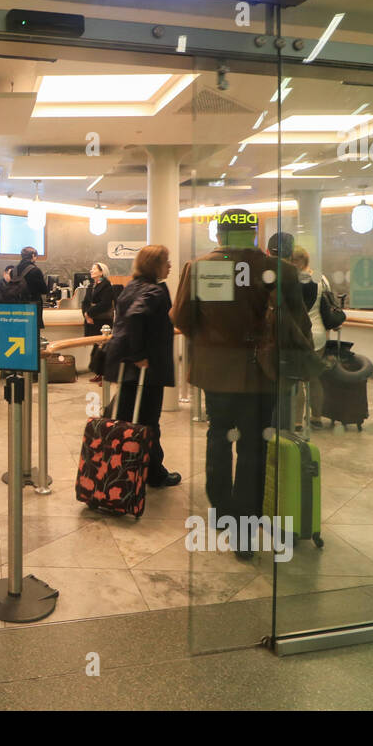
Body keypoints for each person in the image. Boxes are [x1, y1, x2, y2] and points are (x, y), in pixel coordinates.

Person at [170, 210, 277, 557]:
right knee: (253, 448)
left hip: (216, 370)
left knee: (218, 435)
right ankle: (247, 526)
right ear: (254, 233)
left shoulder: (198, 267)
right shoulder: (275, 269)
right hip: (262, 372)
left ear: (219, 234)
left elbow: (182, 317)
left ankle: (221, 511)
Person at [101, 244, 181, 488]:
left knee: (127, 418)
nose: (169, 266)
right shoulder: (154, 291)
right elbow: (136, 317)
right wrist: (139, 355)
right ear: (154, 265)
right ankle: (154, 473)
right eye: (166, 261)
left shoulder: (131, 287)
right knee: (148, 420)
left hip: (126, 367)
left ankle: (125, 468)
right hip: (145, 368)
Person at [265, 232, 315, 432]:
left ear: (268, 251)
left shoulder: (258, 275)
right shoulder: (304, 281)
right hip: (289, 353)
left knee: (268, 414)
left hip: (266, 354)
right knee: (284, 407)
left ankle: (273, 454)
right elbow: (303, 321)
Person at [291, 247, 328, 430]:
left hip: (301, 333)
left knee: (298, 379)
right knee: (314, 378)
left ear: (297, 262)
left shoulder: (296, 280)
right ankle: (316, 417)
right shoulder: (321, 278)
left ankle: (297, 421)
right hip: (319, 333)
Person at [81, 262, 115, 337]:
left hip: (101, 322)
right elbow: (85, 302)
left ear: (101, 272)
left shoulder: (107, 286)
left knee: (100, 345)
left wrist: (89, 313)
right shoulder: (90, 285)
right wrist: (86, 315)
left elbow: (105, 304)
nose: (91, 271)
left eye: (94, 269)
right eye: (91, 269)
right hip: (89, 321)